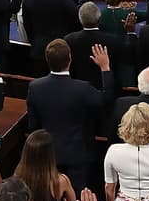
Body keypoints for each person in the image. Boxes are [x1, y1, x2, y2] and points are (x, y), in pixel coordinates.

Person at [26, 39, 115, 191]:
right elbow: (107, 99)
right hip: (79, 155)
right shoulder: (82, 89)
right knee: (78, 200)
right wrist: (105, 67)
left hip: (48, 154)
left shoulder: (35, 87)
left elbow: (33, 126)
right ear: (70, 59)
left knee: (51, 196)